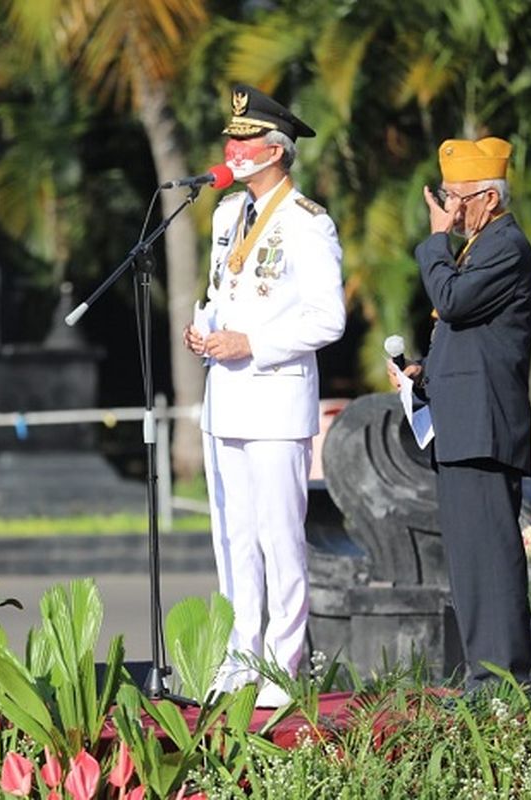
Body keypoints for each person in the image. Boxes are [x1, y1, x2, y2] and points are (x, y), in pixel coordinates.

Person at [183, 84, 346, 707]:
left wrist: (252, 342)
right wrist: (205, 327)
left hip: (275, 399)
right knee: (232, 535)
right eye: (232, 138)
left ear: (275, 150)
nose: (233, 148)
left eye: (245, 139)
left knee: (280, 537)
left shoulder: (308, 222)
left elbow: (327, 318)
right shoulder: (226, 216)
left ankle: (285, 663)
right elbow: (225, 294)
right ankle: (241, 654)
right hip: (225, 398)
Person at [392, 136, 531, 689]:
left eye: (458, 197)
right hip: (462, 424)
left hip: (484, 427)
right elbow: (473, 336)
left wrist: (433, 239)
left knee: (490, 559)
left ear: (490, 199)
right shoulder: (480, 243)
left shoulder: (505, 245)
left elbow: (452, 302)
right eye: (447, 197)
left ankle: (503, 681)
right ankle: (484, 674)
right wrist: (424, 373)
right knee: (470, 563)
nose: (450, 208)